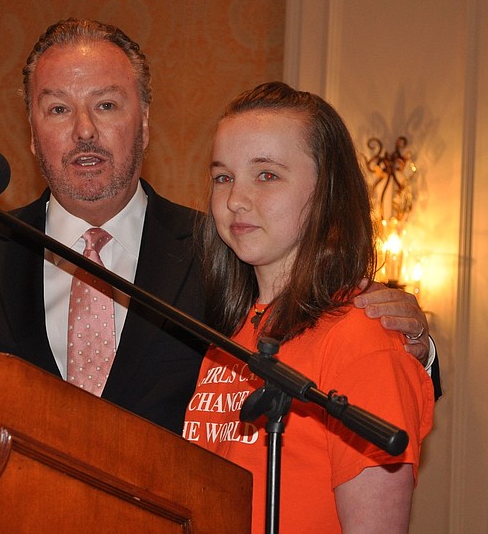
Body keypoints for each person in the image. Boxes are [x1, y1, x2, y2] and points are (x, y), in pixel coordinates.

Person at [0, 18, 437, 435]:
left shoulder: (224, 248)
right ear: (31, 133)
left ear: (145, 123)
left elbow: (333, 365)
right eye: (57, 109)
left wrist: (416, 344)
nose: (83, 131)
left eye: (106, 105)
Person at [182, 82, 434, 532]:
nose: (235, 198)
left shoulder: (361, 338)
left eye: (266, 175)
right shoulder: (232, 333)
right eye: (223, 176)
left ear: (327, 193)